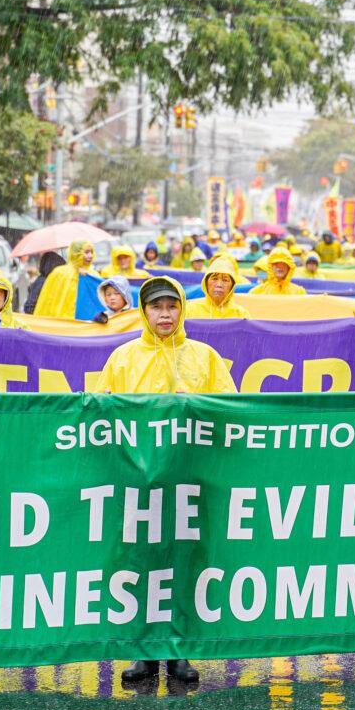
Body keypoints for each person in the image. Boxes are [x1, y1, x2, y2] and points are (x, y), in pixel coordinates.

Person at [89, 277, 235, 684]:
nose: (165, 314)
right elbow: (101, 416)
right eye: (157, 307)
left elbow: (230, 411)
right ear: (144, 311)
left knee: (184, 563)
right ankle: (145, 652)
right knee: (139, 564)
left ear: (182, 309)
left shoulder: (205, 357)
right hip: (138, 483)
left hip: (190, 480)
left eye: (172, 306)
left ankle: (179, 651)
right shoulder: (122, 358)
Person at [33, 240, 100, 319]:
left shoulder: (93, 274)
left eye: (92, 252)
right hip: (63, 324)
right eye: (86, 252)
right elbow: (47, 302)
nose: (90, 255)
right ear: (76, 253)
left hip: (87, 324)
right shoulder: (60, 273)